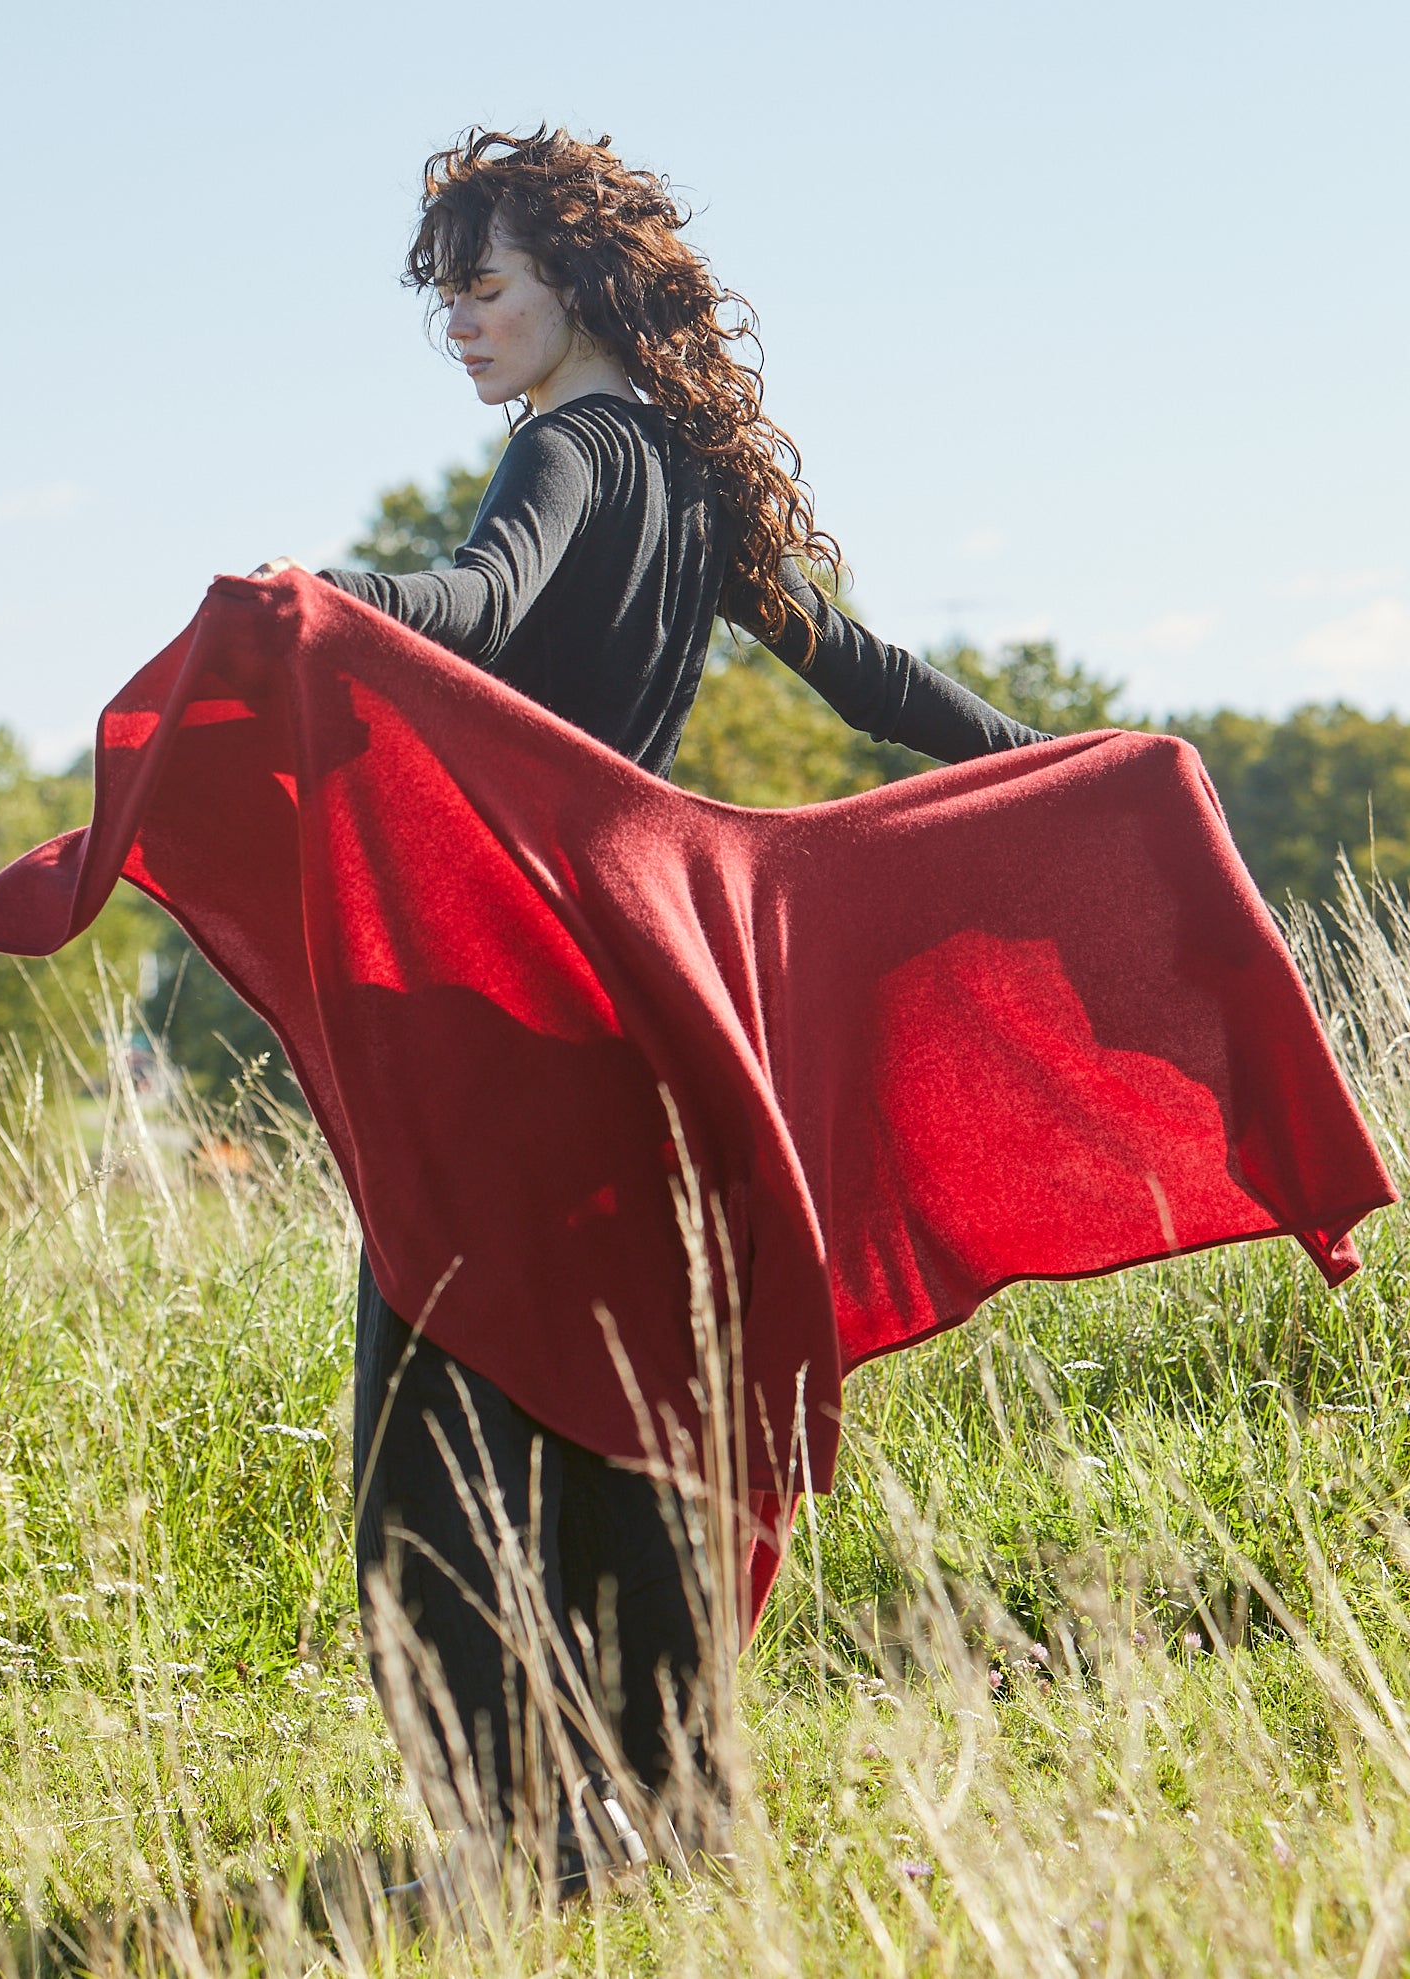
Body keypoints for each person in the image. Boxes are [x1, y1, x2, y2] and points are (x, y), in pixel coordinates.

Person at [256, 125, 1048, 1888]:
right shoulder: (690, 474)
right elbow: (873, 679)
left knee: (442, 1424)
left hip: (520, 999)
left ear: (576, 287)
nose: (456, 321)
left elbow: (477, 605)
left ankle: (528, 1829)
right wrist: (1063, 761)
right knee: (629, 1406)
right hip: (644, 1019)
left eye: (484, 284)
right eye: (442, 292)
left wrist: (321, 601)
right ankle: (666, 1809)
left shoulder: (570, 452)